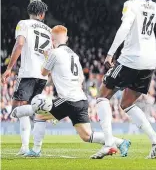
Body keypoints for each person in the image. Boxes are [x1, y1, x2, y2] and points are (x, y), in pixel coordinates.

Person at [11, 25, 131, 157]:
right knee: (86, 135)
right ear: (66, 38)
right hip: (81, 99)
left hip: (68, 99)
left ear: (51, 39)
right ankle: (121, 142)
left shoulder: (54, 53)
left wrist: (46, 56)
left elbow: (43, 72)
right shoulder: (74, 55)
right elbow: (80, 78)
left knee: (40, 114)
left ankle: (36, 149)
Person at [92, 0, 156, 159]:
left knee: (102, 97)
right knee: (126, 103)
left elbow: (125, 28)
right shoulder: (153, 5)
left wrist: (110, 53)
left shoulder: (130, 4)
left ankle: (108, 144)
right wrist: (149, 1)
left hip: (132, 58)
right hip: (150, 60)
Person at [2, 1, 51, 155]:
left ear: (29, 12)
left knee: (17, 109)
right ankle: (28, 148)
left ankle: (50, 110)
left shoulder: (23, 23)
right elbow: (51, 53)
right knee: (29, 109)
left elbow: (20, 43)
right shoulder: (49, 30)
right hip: (42, 75)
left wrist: (9, 68)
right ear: (42, 15)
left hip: (28, 72)